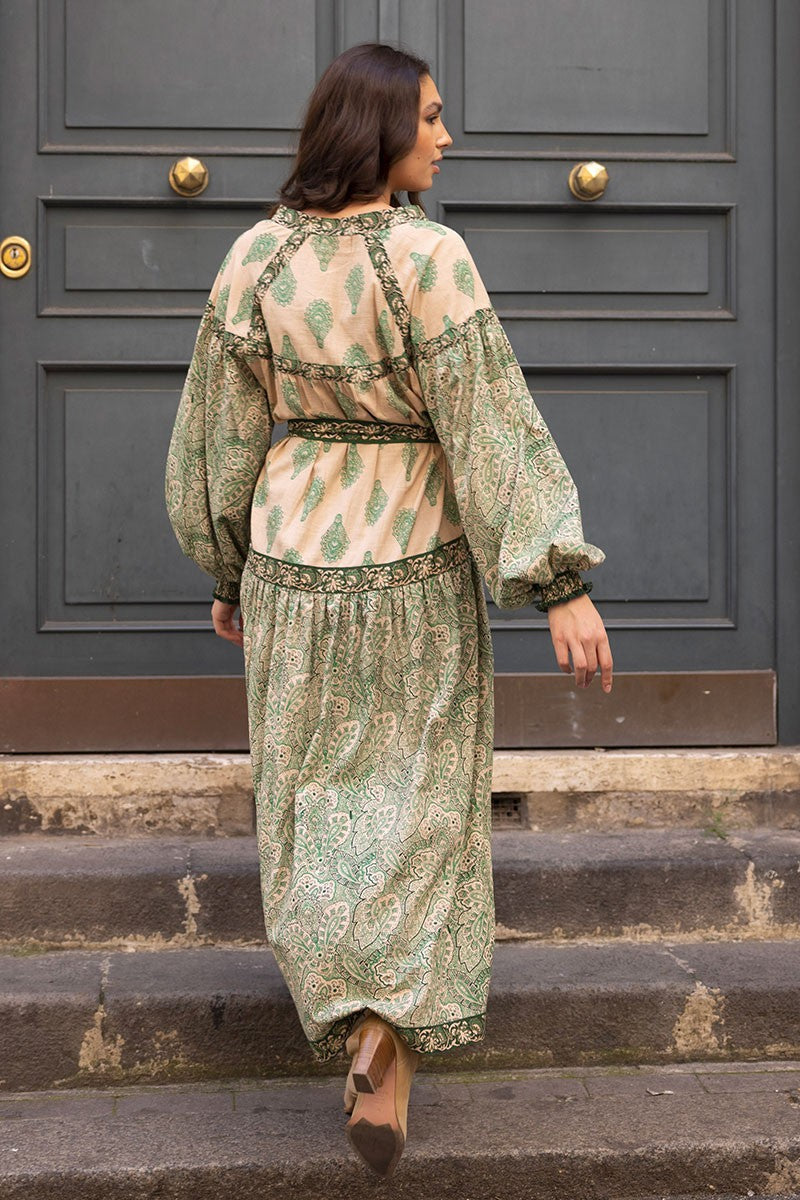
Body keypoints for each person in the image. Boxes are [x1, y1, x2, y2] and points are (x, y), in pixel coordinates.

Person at [164, 41, 613, 1178]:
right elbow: (487, 421)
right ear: (377, 131)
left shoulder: (254, 258)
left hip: (293, 565)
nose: (446, 136)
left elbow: (212, 436)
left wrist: (228, 568)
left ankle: (362, 1027)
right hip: (410, 558)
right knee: (415, 798)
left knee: (313, 800)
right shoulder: (428, 259)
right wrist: (558, 580)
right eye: (431, 116)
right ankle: (384, 1027)